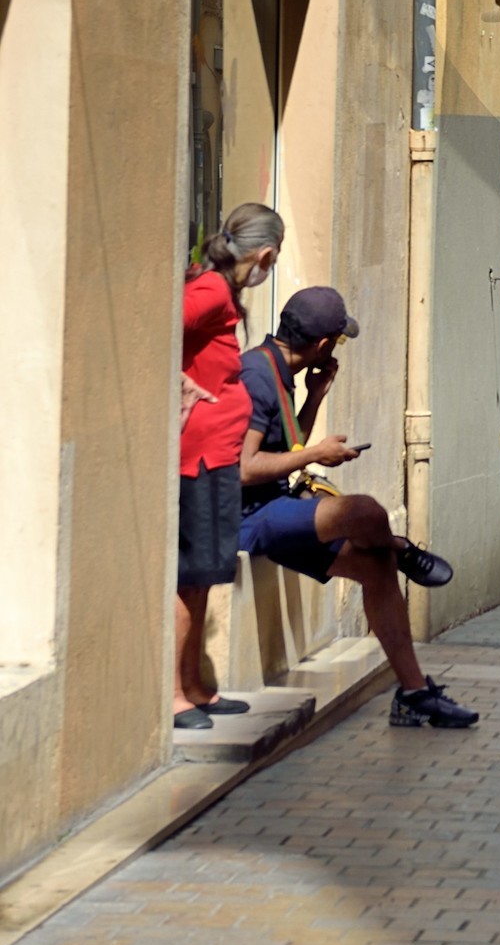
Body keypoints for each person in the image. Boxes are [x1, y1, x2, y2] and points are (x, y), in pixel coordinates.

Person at [239, 287, 478, 729]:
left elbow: (286, 444)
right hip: (249, 517)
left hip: (273, 505)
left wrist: (315, 395)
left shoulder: (277, 370)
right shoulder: (257, 375)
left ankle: (414, 694)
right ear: (325, 344)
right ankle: (404, 546)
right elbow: (245, 467)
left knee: (376, 565)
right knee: (365, 512)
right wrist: (314, 456)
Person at [174, 204, 281, 729]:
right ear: (264, 254)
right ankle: (176, 695)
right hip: (200, 454)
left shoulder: (222, 291)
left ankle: (196, 686)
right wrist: (182, 384)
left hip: (217, 453)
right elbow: (164, 325)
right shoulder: (212, 290)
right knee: (190, 577)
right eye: (273, 259)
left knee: (205, 577)